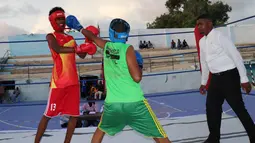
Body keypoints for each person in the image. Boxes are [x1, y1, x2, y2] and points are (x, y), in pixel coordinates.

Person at [66, 16, 171, 143]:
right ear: (126, 35)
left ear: (111, 33)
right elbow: (137, 77)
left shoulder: (107, 47)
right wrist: (139, 66)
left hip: (113, 104)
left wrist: (79, 27)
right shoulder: (128, 49)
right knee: (159, 134)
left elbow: (94, 38)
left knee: (100, 131)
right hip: (135, 102)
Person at [34, 7, 97, 143]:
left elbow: (82, 54)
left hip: (73, 82)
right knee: (48, 115)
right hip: (59, 83)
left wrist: (88, 40)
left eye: (63, 18)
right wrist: (77, 48)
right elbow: (58, 49)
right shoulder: (51, 36)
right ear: (52, 21)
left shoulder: (70, 38)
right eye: (58, 19)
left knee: (74, 115)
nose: (61, 21)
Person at [197, 14, 255, 143]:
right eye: (198, 25)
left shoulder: (220, 37)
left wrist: (244, 79)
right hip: (215, 80)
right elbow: (204, 62)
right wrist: (203, 82)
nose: (199, 27)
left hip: (229, 77)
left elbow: (236, 57)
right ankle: (214, 138)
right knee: (211, 108)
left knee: (238, 108)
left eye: (201, 24)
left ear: (210, 23)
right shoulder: (202, 42)